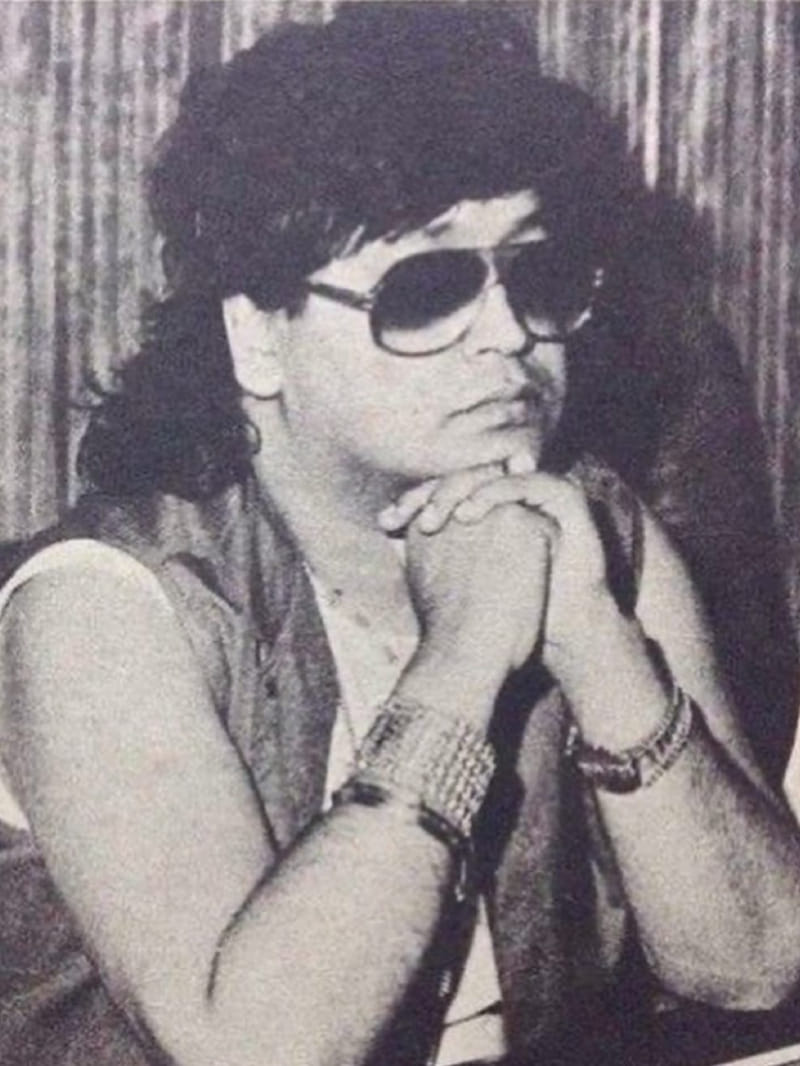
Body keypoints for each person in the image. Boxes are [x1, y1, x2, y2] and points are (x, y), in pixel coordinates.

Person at [0, 6, 799, 1066]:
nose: (510, 334)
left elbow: (753, 965)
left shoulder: (593, 528)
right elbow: (258, 1050)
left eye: (536, 275)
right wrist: (462, 658)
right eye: (426, 290)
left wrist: (598, 644)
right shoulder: (100, 606)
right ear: (256, 336)